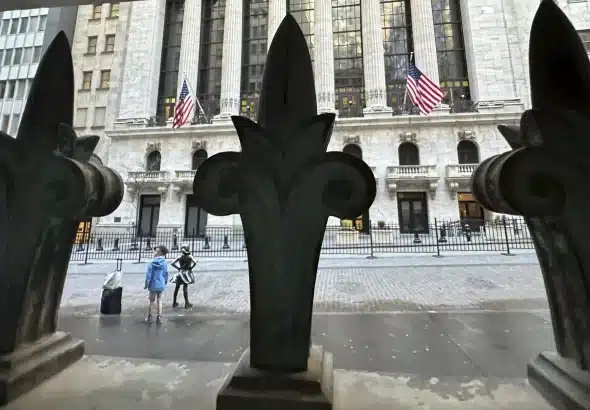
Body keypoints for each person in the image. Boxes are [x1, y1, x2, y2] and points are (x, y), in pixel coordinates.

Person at [144, 245, 169, 324]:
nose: (154, 252)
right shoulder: (164, 262)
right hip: (161, 283)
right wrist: (165, 282)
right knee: (159, 300)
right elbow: (166, 273)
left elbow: (148, 275)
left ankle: (149, 316)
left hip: (153, 284)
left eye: (156, 251)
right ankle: (159, 317)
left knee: (151, 301)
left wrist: (146, 284)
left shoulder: (152, 263)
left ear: (159, 253)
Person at [171, 244, 196, 309]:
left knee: (176, 288)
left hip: (180, 273)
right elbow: (195, 263)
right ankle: (186, 303)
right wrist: (191, 267)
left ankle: (174, 302)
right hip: (186, 273)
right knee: (185, 288)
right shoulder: (190, 257)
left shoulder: (179, 257)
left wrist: (178, 268)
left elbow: (172, 263)